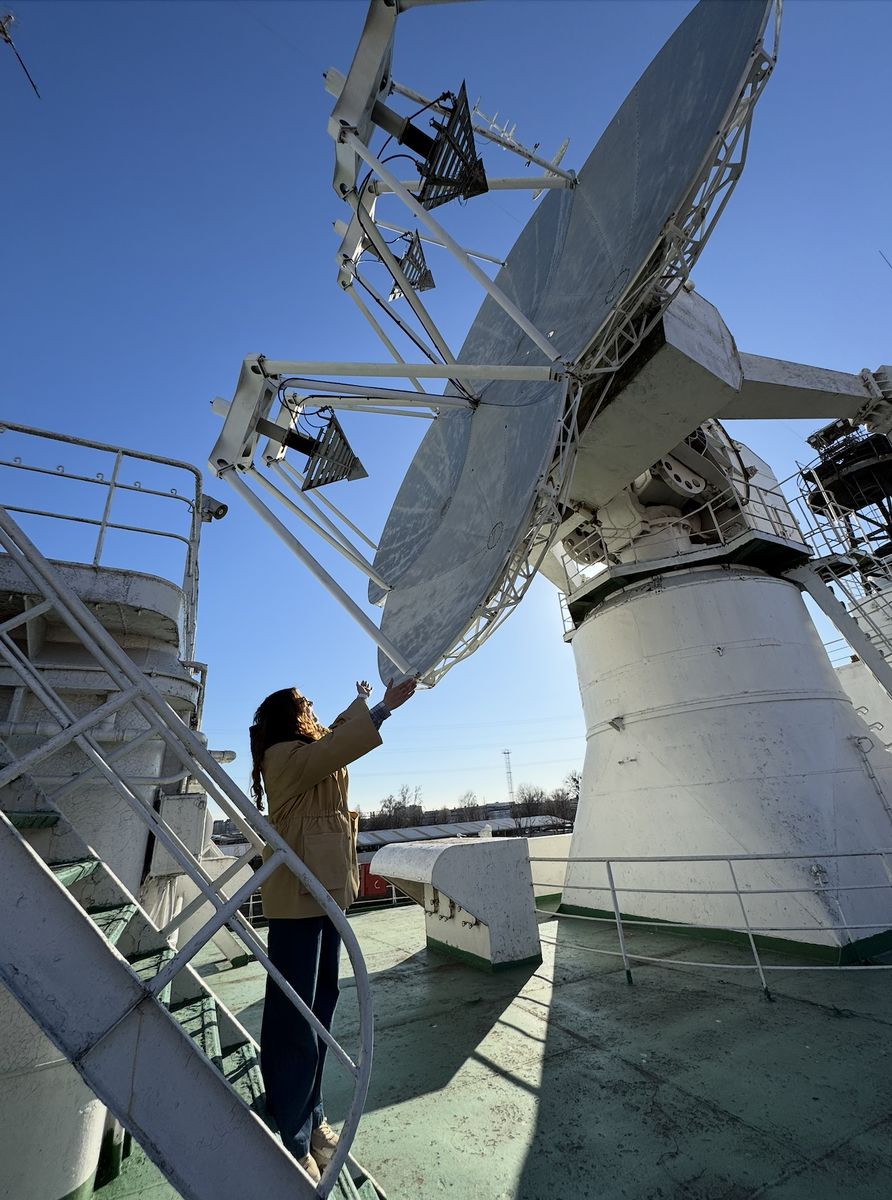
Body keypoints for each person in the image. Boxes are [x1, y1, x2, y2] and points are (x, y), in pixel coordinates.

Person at [249, 675, 417, 1183]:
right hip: (300, 896)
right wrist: (383, 708)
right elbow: (334, 748)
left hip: (324, 892)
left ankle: (313, 1113)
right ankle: (294, 1131)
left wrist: (364, 703)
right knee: (297, 1016)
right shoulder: (281, 757)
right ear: (288, 716)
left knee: (320, 1007)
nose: (312, 710)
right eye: (305, 705)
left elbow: (334, 738)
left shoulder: (306, 750)